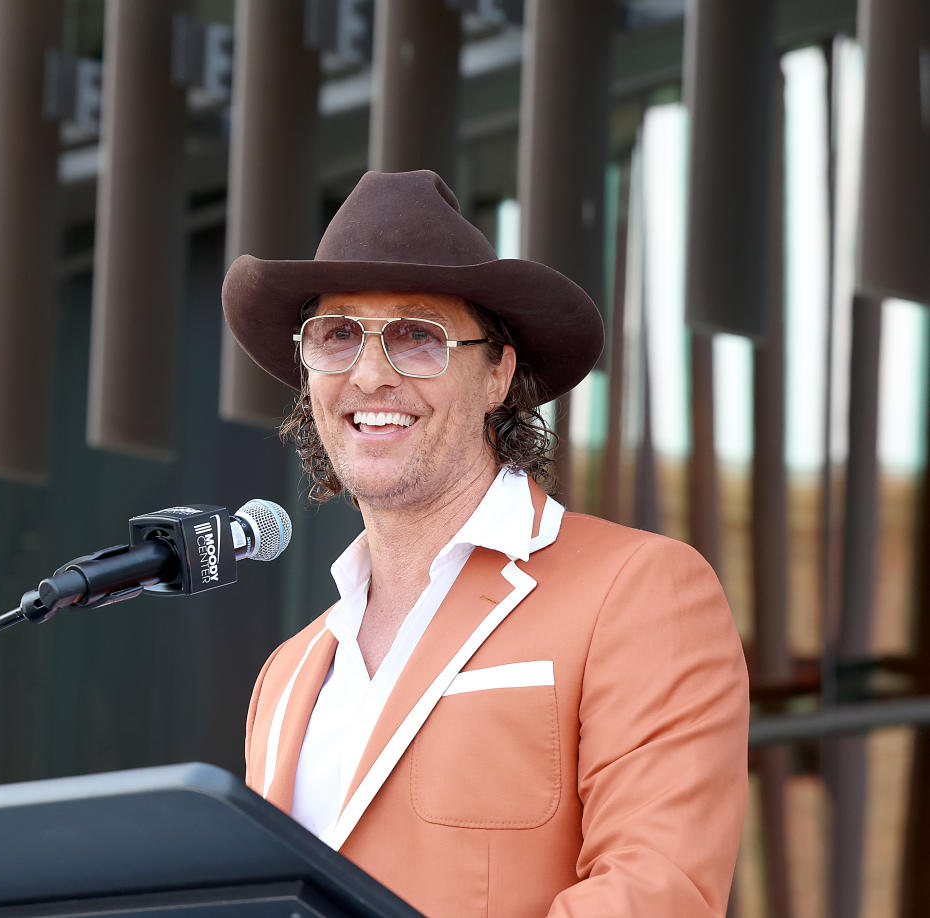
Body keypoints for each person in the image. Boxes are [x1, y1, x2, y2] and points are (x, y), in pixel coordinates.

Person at [221, 169, 748, 918]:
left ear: (498, 371)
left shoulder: (638, 589)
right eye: (337, 336)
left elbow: (655, 894)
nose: (371, 373)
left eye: (417, 336)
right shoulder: (288, 675)